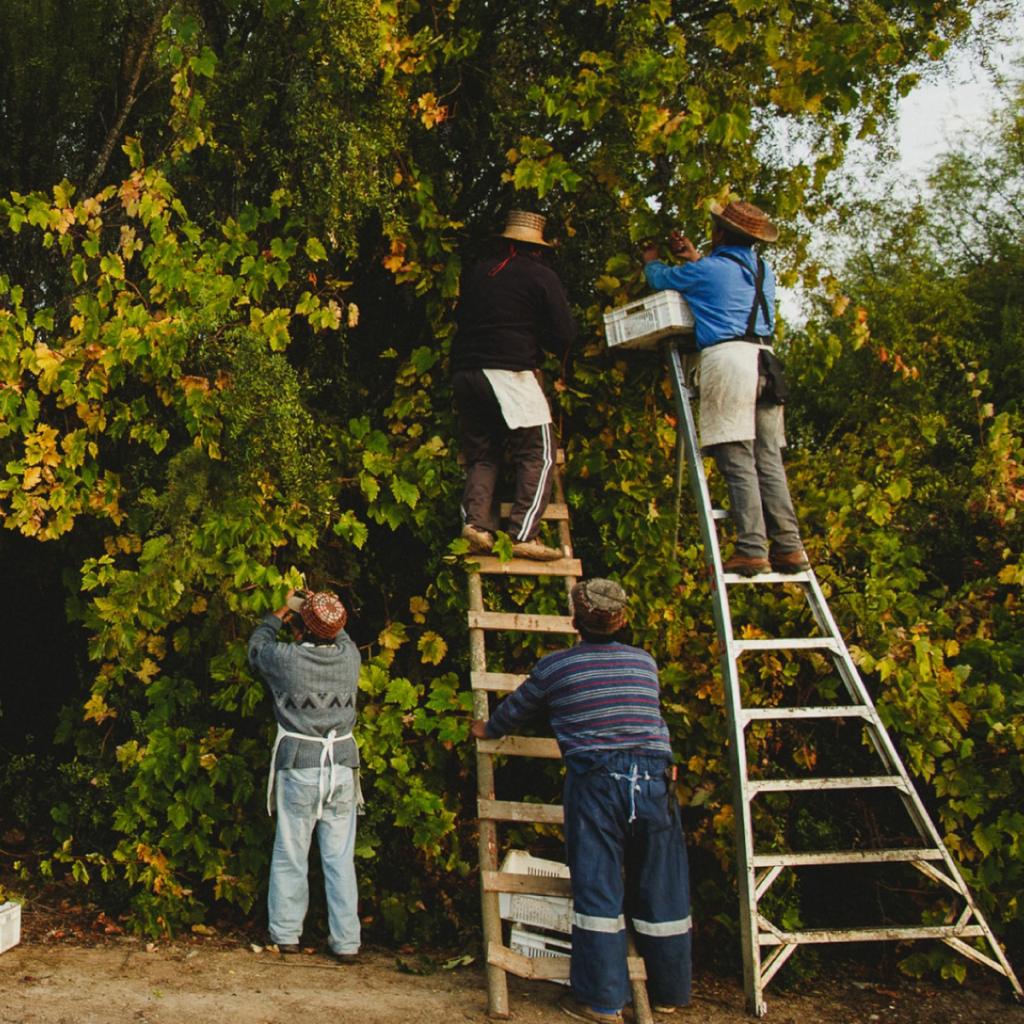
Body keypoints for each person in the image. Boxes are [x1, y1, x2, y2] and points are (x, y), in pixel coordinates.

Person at [470, 579, 691, 1024]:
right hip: (653, 779)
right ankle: (669, 991)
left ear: (575, 621)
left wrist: (487, 728)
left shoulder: (557, 668)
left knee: (599, 888)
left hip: (599, 783)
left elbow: (516, 710)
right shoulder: (644, 663)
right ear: (623, 619)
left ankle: (601, 1001)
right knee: (662, 887)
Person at [642, 200, 810, 577]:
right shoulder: (763, 270)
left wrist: (652, 258)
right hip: (766, 362)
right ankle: (789, 546)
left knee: (737, 457)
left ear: (720, 233)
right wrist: (695, 257)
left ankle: (752, 548)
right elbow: (726, 281)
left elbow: (661, 279)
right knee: (768, 459)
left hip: (731, 362)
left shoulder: (710, 269)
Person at [452, 210, 576, 561]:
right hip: (510, 372)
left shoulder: (478, 272)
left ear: (506, 242)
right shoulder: (541, 276)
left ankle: (476, 525)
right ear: (537, 248)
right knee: (538, 452)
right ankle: (523, 533)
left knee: (483, 453)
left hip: (465, 371)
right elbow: (565, 334)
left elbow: (461, 316)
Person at [248, 587, 362, 961]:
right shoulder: (350, 658)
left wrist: (281, 611)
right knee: (340, 857)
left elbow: (256, 648)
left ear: (300, 627)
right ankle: (346, 941)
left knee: (291, 851)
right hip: (342, 766)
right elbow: (336, 632)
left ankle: (286, 934)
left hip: (300, 763)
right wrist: (322, 607)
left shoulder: (287, 659)